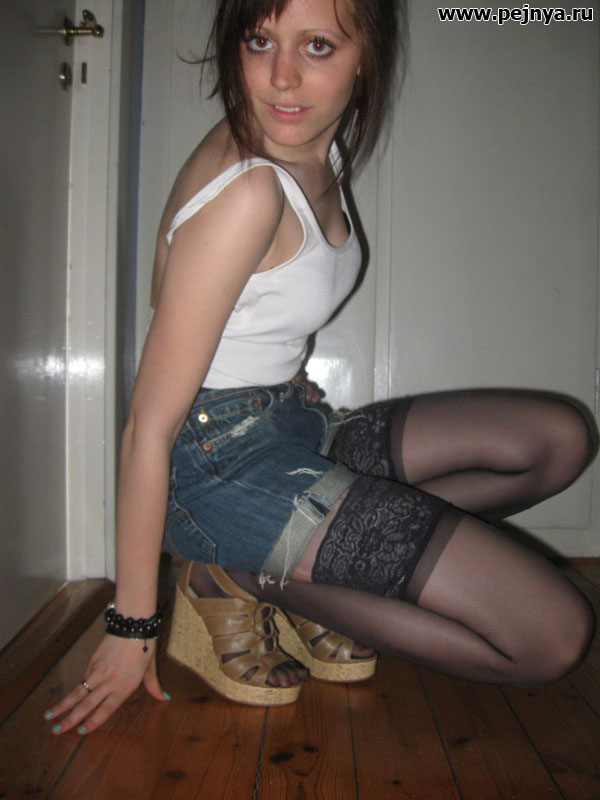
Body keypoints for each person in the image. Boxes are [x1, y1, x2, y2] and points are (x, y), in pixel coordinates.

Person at [45, 0, 596, 734]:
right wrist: (131, 624)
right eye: (259, 41)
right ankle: (249, 575)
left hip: (287, 421)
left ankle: (302, 565)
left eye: (317, 46)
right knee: (551, 636)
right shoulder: (249, 189)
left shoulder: (315, 149)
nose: (281, 77)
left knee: (557, 439)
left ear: (366, 55)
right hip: (214, 466)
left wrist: (284, 384)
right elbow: (149, 427)